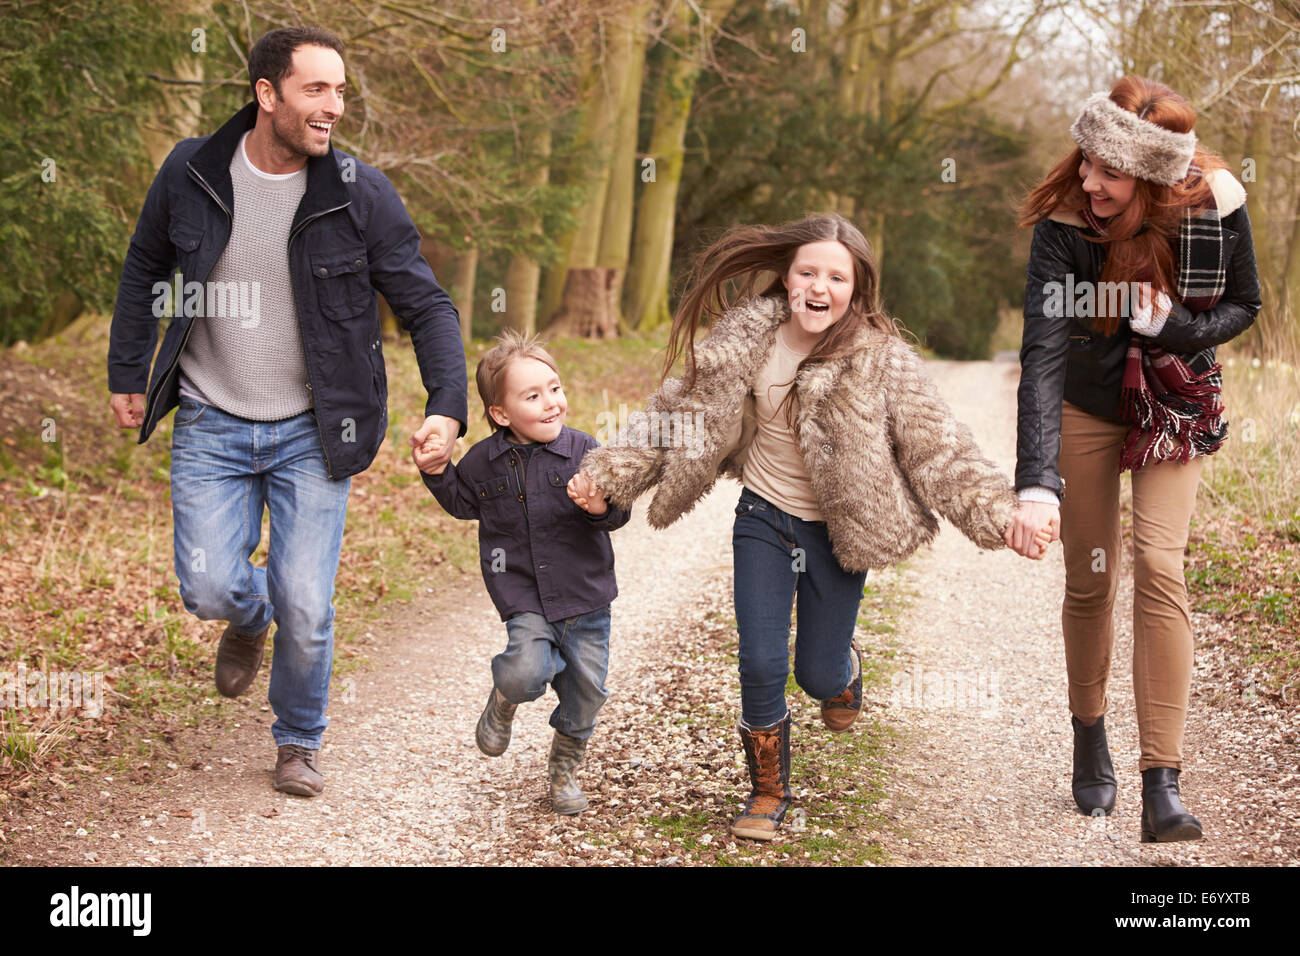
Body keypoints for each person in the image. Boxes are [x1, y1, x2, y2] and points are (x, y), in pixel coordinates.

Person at [577, 214, 1045, 841]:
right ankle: (769, 793)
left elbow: (939, 451)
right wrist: (609, 474)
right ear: (787, 279)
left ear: (857, 288)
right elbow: (673, 415)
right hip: (763, 518)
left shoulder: (883, 362)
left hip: (838, 534)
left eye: (836, 276)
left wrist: (1003, 514)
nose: (819, 286)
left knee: (816, 675)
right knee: (760, 658)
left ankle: (843, 670)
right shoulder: (743, 340)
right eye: (807, 272)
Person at [107, 26, 468, 797]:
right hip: (211, 417)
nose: (334, 106)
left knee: (309, 604)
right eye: (316, 89)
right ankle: (247, 616)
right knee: (206, 586)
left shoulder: (358, 190)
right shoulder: (191, 171)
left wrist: (448, 408)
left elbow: (427, 307)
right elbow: (145, 266)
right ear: (267, 94)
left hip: (315, 431)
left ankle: (299, 741)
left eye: (340, 91)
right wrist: (125, 368)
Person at [1007, 76, 1261, 842]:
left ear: (1151, 177)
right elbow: (1043, 358)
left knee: (1160, 565)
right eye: (1086, 162)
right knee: (1091, 576)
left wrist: (1176, 326)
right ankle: (1090, 734)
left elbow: (1246, 304)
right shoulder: (1063, 229)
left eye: (1107, 173)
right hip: (1088, 401)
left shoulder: (1213, 210)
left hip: (1173, 396)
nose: (1088, 181)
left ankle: (1163, 782)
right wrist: (1035, 482)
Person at [414, 331, 631, 814]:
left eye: (554, 388)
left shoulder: (585, 451)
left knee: (587, 696)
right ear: (501, 414)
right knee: (524, 670)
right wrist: (436, 469)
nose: (551, 403)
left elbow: (617, 513)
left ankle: (563, 767)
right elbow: (461, 502)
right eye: (533, 396)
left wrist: (600, 505)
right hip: (525, 596)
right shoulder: (483, 462)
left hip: (586, 598)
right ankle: (504, 699)